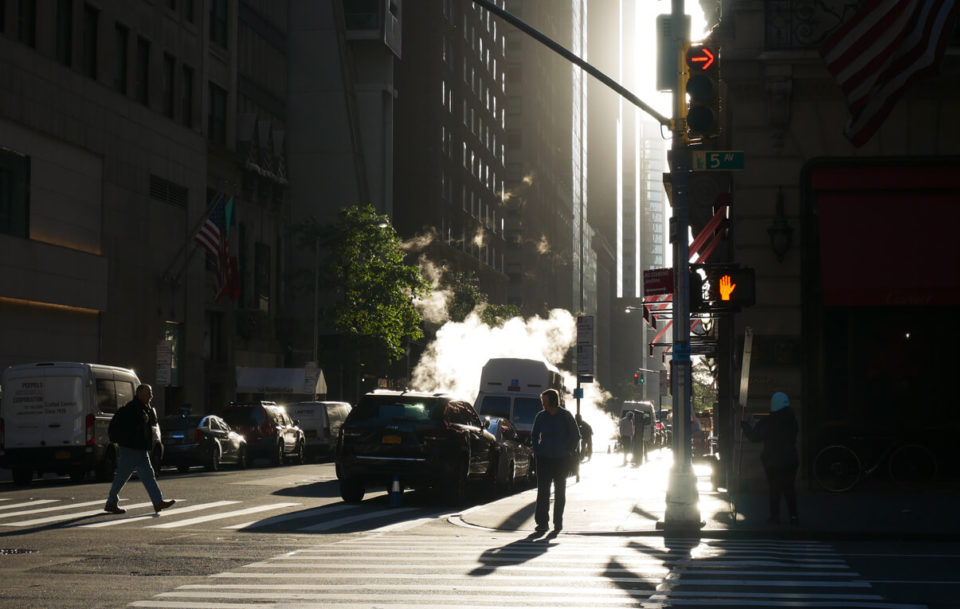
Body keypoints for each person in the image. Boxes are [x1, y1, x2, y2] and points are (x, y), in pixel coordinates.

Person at [104, 384, 176, 514]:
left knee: (148, 476)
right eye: (148, 393)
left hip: (139, 449)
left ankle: (158, 502)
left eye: (151, 393)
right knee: (122, 477)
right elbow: (132, 428)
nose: (151, 396)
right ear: (140, 394)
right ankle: (111, 502)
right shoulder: (132, 409)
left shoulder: (143, 408)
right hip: (131, 448)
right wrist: (142, 420)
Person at [741, 391, 799, 525]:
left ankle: (775, 516)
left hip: (773, 460)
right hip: (791, 459)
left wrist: (746, 426)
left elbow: (755, 437)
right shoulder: (792, 420)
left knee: (774, 488)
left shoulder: (769, 421)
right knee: (789, 488)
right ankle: (794, 516)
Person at [530, 388, 580, 532]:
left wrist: (569, 450)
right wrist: (537, 449)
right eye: (542, 401)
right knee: (543, 492)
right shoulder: (541, 416)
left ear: (553, 401)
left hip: (561, 459)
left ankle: (558, 522)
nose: (543, 404)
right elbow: (534, 435)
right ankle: (542, 522)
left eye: (545, 401)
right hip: (544, 458)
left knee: (560, 492)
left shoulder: (565, 415)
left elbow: (576, 435)